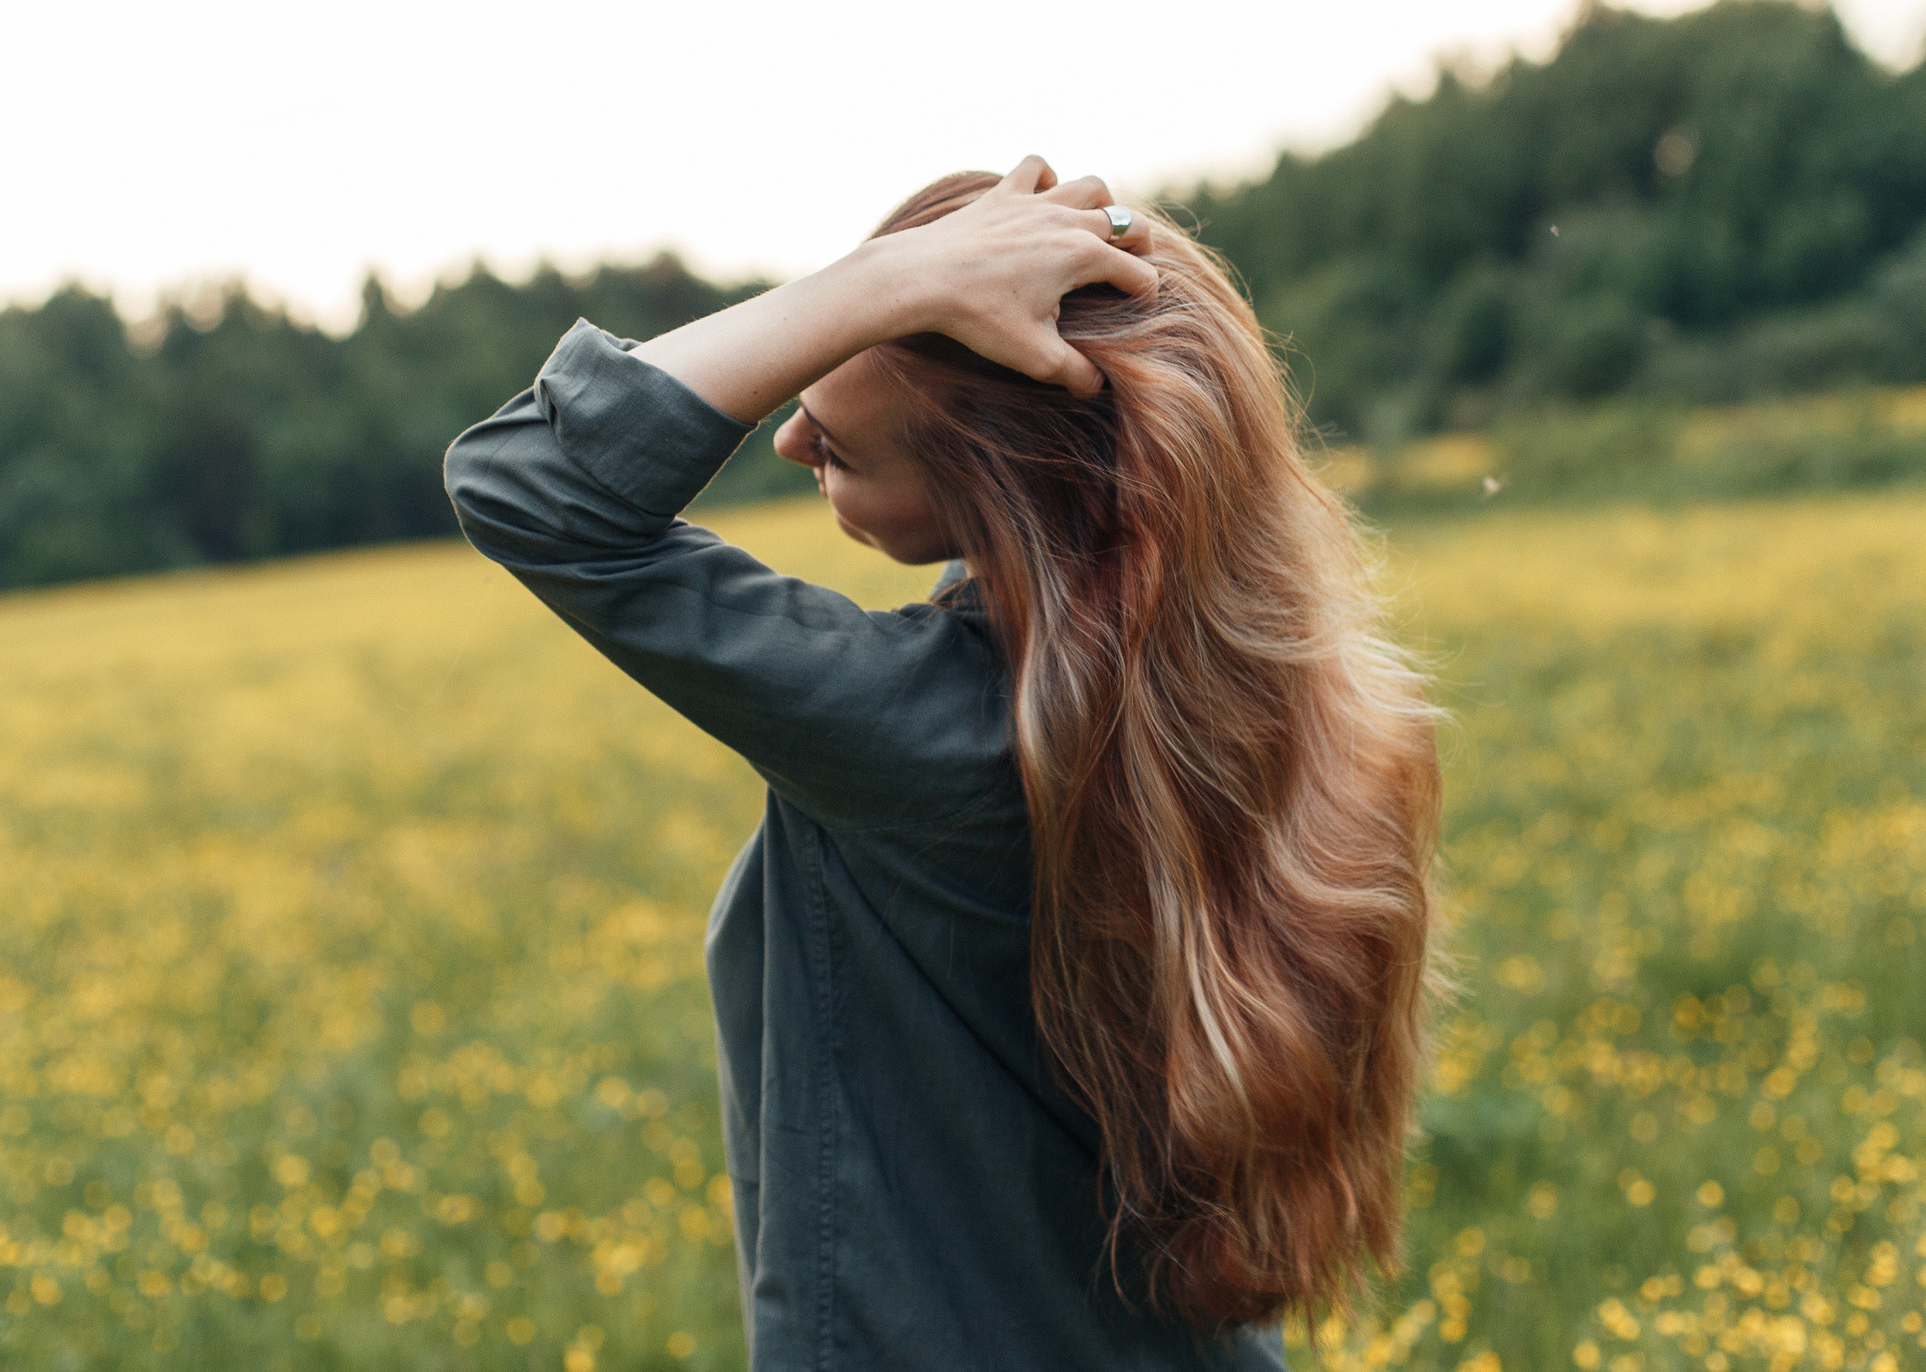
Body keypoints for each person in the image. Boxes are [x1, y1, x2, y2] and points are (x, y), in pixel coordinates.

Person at [444, 158, 1442, 1370]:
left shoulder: (931, 732)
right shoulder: (1278, 699)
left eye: (841, 446)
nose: (790, 439)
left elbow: (529, 481)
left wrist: (886, 282)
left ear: (999, 483)